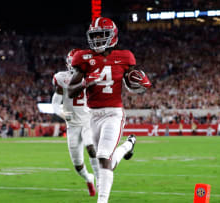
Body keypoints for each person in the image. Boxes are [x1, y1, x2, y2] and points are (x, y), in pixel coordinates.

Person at [67, 17, 151, 203]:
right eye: (94, 35)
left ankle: (102, 201)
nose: (97, 40)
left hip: (113, 113)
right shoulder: (82, 58)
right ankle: (128, 146)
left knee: (104, 157)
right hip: (93, 115)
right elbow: (71, 91)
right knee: (105, 163)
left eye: (102, 35)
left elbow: (131, 81)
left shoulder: (125, 57)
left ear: (112, 36)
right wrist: (86, 82)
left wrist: (140, 83)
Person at [51, 49, 99, 196]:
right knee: (78, 165)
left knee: (90, 147)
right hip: (72, 125)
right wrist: (62, 113)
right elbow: (55, 103)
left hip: (87, 121)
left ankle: (99, 179)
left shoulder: (91, 76)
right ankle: (89, 178)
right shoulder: (61, 78)